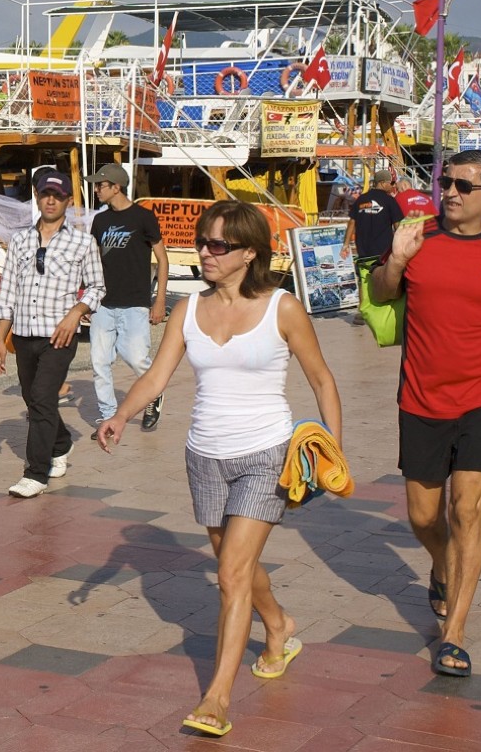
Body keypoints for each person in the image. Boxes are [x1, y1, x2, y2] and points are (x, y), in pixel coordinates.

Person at [95, 200, 343, 740]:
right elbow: (157, 376)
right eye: (202, 242)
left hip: (266, 454)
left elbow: (322, 379)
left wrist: (334, 451)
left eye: (217, 245)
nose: (205, 252)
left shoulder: (282, 309)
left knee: (230, 575)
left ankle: (217, 698)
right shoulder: (188, 309)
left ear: (249, 253)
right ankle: (278, 624)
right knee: (237, 565)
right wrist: (120, 415)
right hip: (204, 456)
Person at [370, 149, 481, 678]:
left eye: (464, 186)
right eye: (446, 182)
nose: (449, 192)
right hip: (420, 397)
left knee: (467, 510)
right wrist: (397, 260)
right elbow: (380, 293)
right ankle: (442, 563)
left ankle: (455, 634)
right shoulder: (415, 236)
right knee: (424, 516)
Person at [0, 167, 103, 498]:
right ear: (37, 197)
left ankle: (35, 473)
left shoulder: (83, 242)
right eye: (45, 194)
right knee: (33, 398)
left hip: (59, 336)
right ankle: (61, 442)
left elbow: (97, 287)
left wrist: (76, 313)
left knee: (41, 397)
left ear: (68, 201)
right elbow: (8, 291)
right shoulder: (20, 240)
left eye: (57, 195)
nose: (51, 200)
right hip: (24, 333)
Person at [87, 162, 168, 429]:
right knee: (99, 362)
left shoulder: (143, 217)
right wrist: (86, 298)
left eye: (100, 185)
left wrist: (159, 300)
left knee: (136, 358)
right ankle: (108, 416)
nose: (96, 190)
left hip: (135, 301)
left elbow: (162, 259)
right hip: (103, 303)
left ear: (116, 187)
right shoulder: (100, 221)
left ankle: (153, 394)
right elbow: (93, 260)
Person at [347, 168, 404, 263]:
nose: (393, 186)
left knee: (365, 272)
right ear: (382, 183)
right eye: (391, 183)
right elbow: (398, 226)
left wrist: (345, 244)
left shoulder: (361, 199)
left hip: (363, 252)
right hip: (383, 254)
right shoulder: (389, 200)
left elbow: (351, 223)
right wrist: (401, 247)